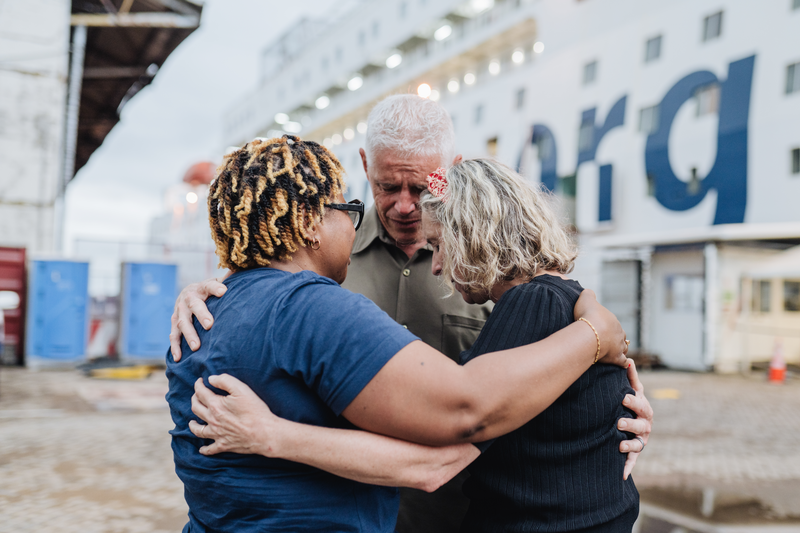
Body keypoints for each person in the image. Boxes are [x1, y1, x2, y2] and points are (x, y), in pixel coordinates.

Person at [170, 96, 653, 532]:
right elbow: (266, 276)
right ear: (364, 168)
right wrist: (213, 289)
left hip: (460, 509)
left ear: (450, 172)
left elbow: (542, 378)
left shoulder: (496, 281)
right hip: (367, 506)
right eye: (386, 186)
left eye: (420, 188)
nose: (405, 206)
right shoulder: (319, 272)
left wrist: (616, 407)